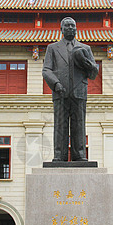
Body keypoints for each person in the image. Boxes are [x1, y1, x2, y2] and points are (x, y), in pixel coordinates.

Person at [42, 17, 98, 162]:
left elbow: (93, 74)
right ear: (61, 29)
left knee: (79, 124)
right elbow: (46, 70)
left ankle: (79, 155)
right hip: (60, 92)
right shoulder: (52, 48)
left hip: (79, 92)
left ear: (76, 28)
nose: (70, 28)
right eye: (67, 26)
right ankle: (59, 156)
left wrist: (87, 63)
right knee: (60, 124)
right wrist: (55, 84)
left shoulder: (85, 49)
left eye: (73, 26)